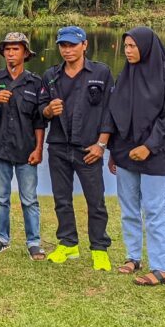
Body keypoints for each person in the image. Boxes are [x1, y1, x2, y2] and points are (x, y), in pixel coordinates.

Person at [103, 27, 165, 286]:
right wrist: (114, 150)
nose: (128, 51)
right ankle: (132, 257)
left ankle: (162, 267)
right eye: (125, 46)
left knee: (155, 209)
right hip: (125, 152)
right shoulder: (125, 76)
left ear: (147, 47)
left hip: (155, 154)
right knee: (128, 208)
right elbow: (115, 113)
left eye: (133, 46)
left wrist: (148, 146)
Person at [40, 25, 114, 270]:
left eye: (72, 45)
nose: (67, 50)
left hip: (89, 149)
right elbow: (41, 110)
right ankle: (68, 244)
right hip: (59, 147)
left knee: (96, 201)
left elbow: (109, 112)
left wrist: (101, 145)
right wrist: (49, 110)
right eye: (63, 45)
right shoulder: (51, 75)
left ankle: (99, 248)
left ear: (85, 45)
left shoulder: (101, 73)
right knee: (62, 199)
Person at [0, 33, 47, 260]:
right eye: (7, 49)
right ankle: (1, 238)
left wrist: (38, 149)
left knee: (29, 199)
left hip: (26, 150)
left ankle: (34, 242)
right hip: (0, 148)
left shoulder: (35, 83)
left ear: (25, 53)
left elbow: (40, 121)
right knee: (1, 198)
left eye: (16, 49)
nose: (11, 53)